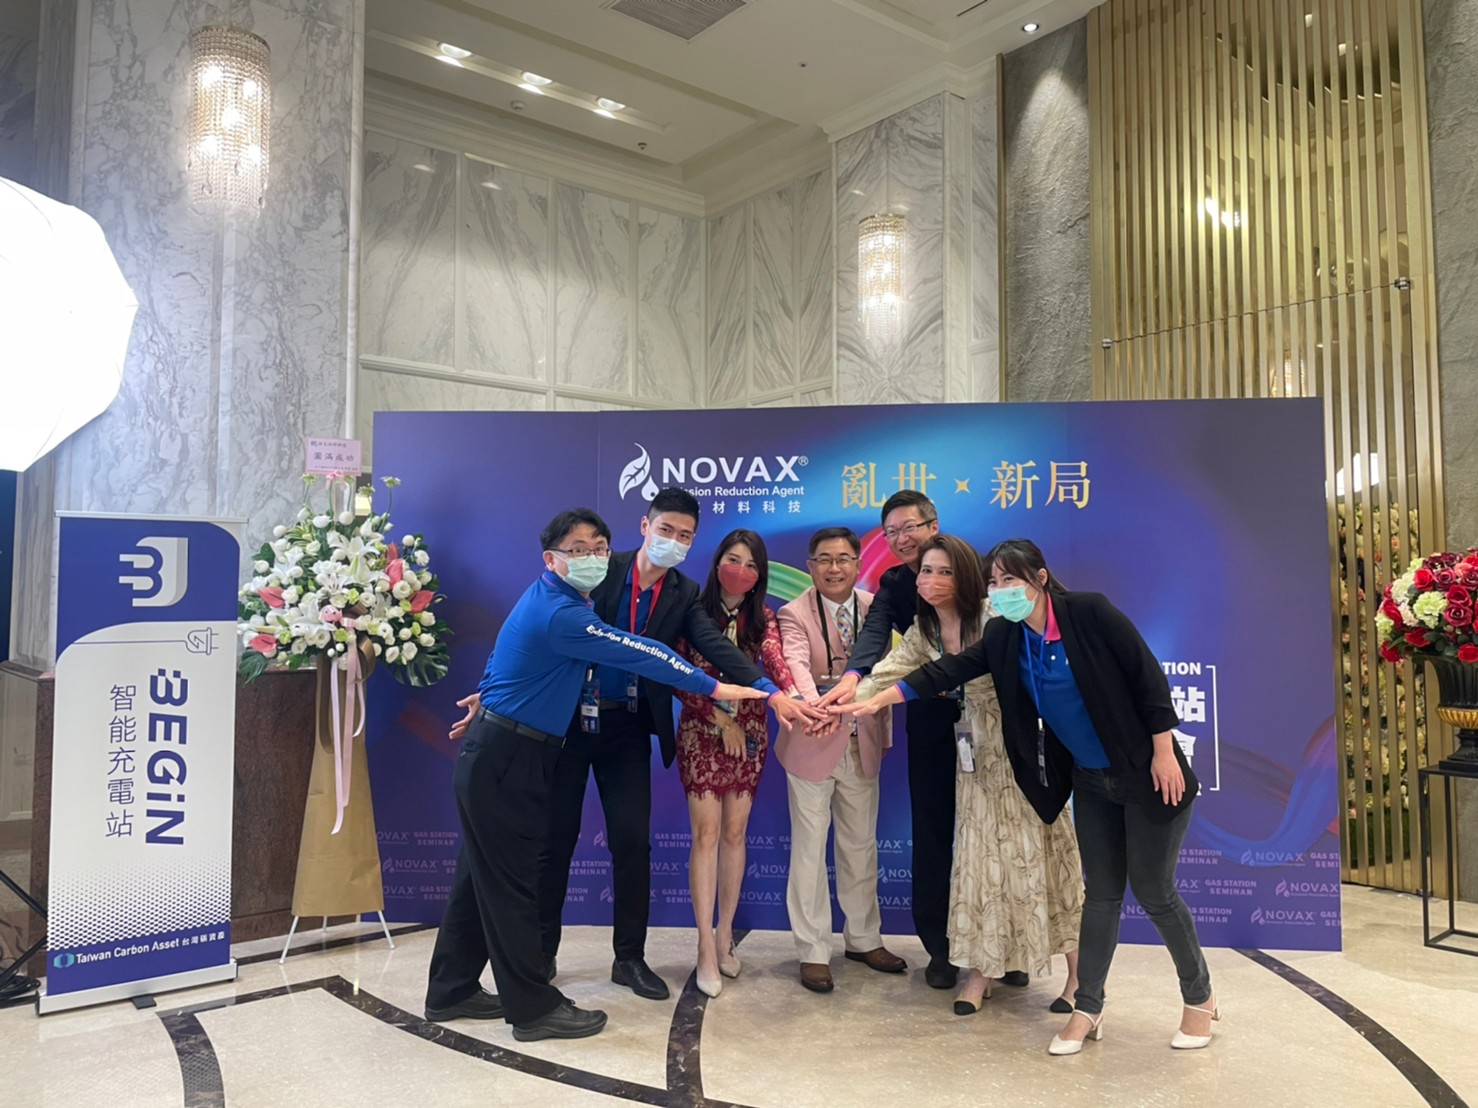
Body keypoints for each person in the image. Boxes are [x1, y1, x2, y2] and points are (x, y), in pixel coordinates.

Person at [438, 490, 825, 1008]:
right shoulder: (596, 571)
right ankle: (540, 956)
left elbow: (711, 644)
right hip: (567, 724)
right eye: (666, 530)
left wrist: (765, 690)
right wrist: (491, 696)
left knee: (632, 843)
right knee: (553, 841)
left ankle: (629, 958)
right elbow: (535, 641)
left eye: (685, 536)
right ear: (645, 527)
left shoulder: (684, 592)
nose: (673, 542)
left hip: (627, 727)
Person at [844, 538, 1219, 1055]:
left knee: (1155, 893)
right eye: (994, 582)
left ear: (1040, 578)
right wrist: (875, 699)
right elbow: (946, 670)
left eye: (1010, 580)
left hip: (1148, 774)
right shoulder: (1006, 634)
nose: (1000, 591)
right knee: (1102, 896)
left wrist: (1163, 752)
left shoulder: (1088, 612)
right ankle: (1088, 1008)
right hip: (1090, 781)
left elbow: (1146, 676)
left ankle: (1200, 999)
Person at [847, 535, 1080, 1015]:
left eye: (944, 572)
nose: (931, 581)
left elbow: (1028, 674)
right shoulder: (924, 629)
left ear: (968, 578)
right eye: (925, 571)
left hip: (1019, 753)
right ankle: (982, 967)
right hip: (972, 759)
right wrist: (841, 701)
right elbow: (889, 672)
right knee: (980, 863)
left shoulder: (997, 617)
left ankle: (1080, 978)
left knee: (1038, 857)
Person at [815, 491, 1017, 991]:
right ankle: (941, 949)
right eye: (892, 532)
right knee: (932, 834)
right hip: (929, 720)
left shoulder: (981, 578)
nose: (902, 540)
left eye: (910, 528)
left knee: (996, 836)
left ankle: (1006, 948)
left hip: (992, 727)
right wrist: (855, 681)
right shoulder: (896, 587)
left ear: (934, 525)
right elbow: (879, 639)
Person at [774, 527, 906, 993]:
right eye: (825, 559)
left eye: (844, 559)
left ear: (858, 564)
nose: (835, 568)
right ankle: (812, 950)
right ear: (810, 566)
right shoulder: (792, 613)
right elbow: (796, 667)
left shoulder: (876, 608)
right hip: (812, 738)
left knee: (859, 845)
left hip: (862, 740)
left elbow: (885, 671)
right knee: (810, 849)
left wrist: (862, 714)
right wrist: (820, 709)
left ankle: (864, 939)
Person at [673, 529, 799, 997]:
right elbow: (677, 674)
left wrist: (794, 697)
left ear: (759, 574)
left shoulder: (764, 618)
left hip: (750, 732)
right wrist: (718, 719)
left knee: (734, 833)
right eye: (733, 559)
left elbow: (776, 663)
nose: (740, 571)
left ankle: (725, 932)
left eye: (751, 564)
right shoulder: (690, 611)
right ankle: (704, 945)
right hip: (702, 729)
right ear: (716, 562)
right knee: (705, 834)